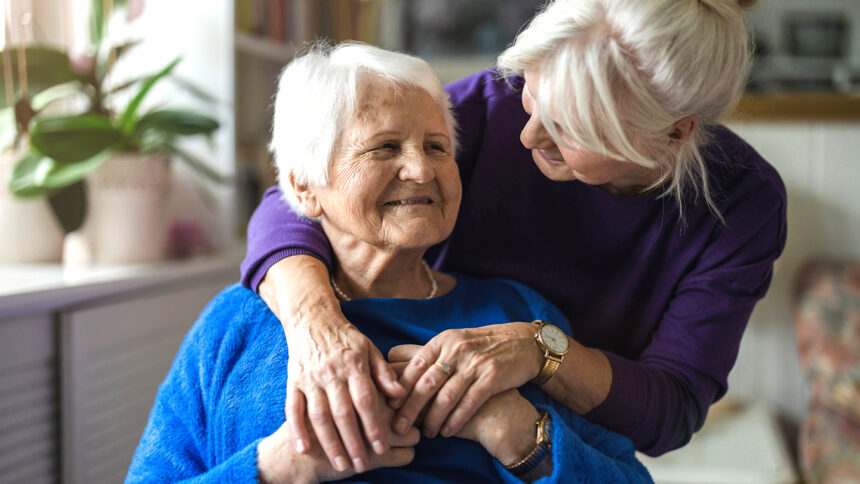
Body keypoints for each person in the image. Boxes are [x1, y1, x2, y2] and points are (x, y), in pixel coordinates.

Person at [241, 0, 787, 471]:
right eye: (533, 94)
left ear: (672, 134)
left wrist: (542, 352)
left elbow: (671, 409)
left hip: (557, 439)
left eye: (570, 127)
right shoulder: (491, 107)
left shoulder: (742, 204)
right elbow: (298, 200)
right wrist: (317, 328)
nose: (528, 135)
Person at [124, 42, 652, 483]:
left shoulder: (516, 315)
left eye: (438, 147)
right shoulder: (236, 323)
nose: (422, 170)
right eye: (384, 148)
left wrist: (519, 432)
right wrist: (279, 467)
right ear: (303, 188)